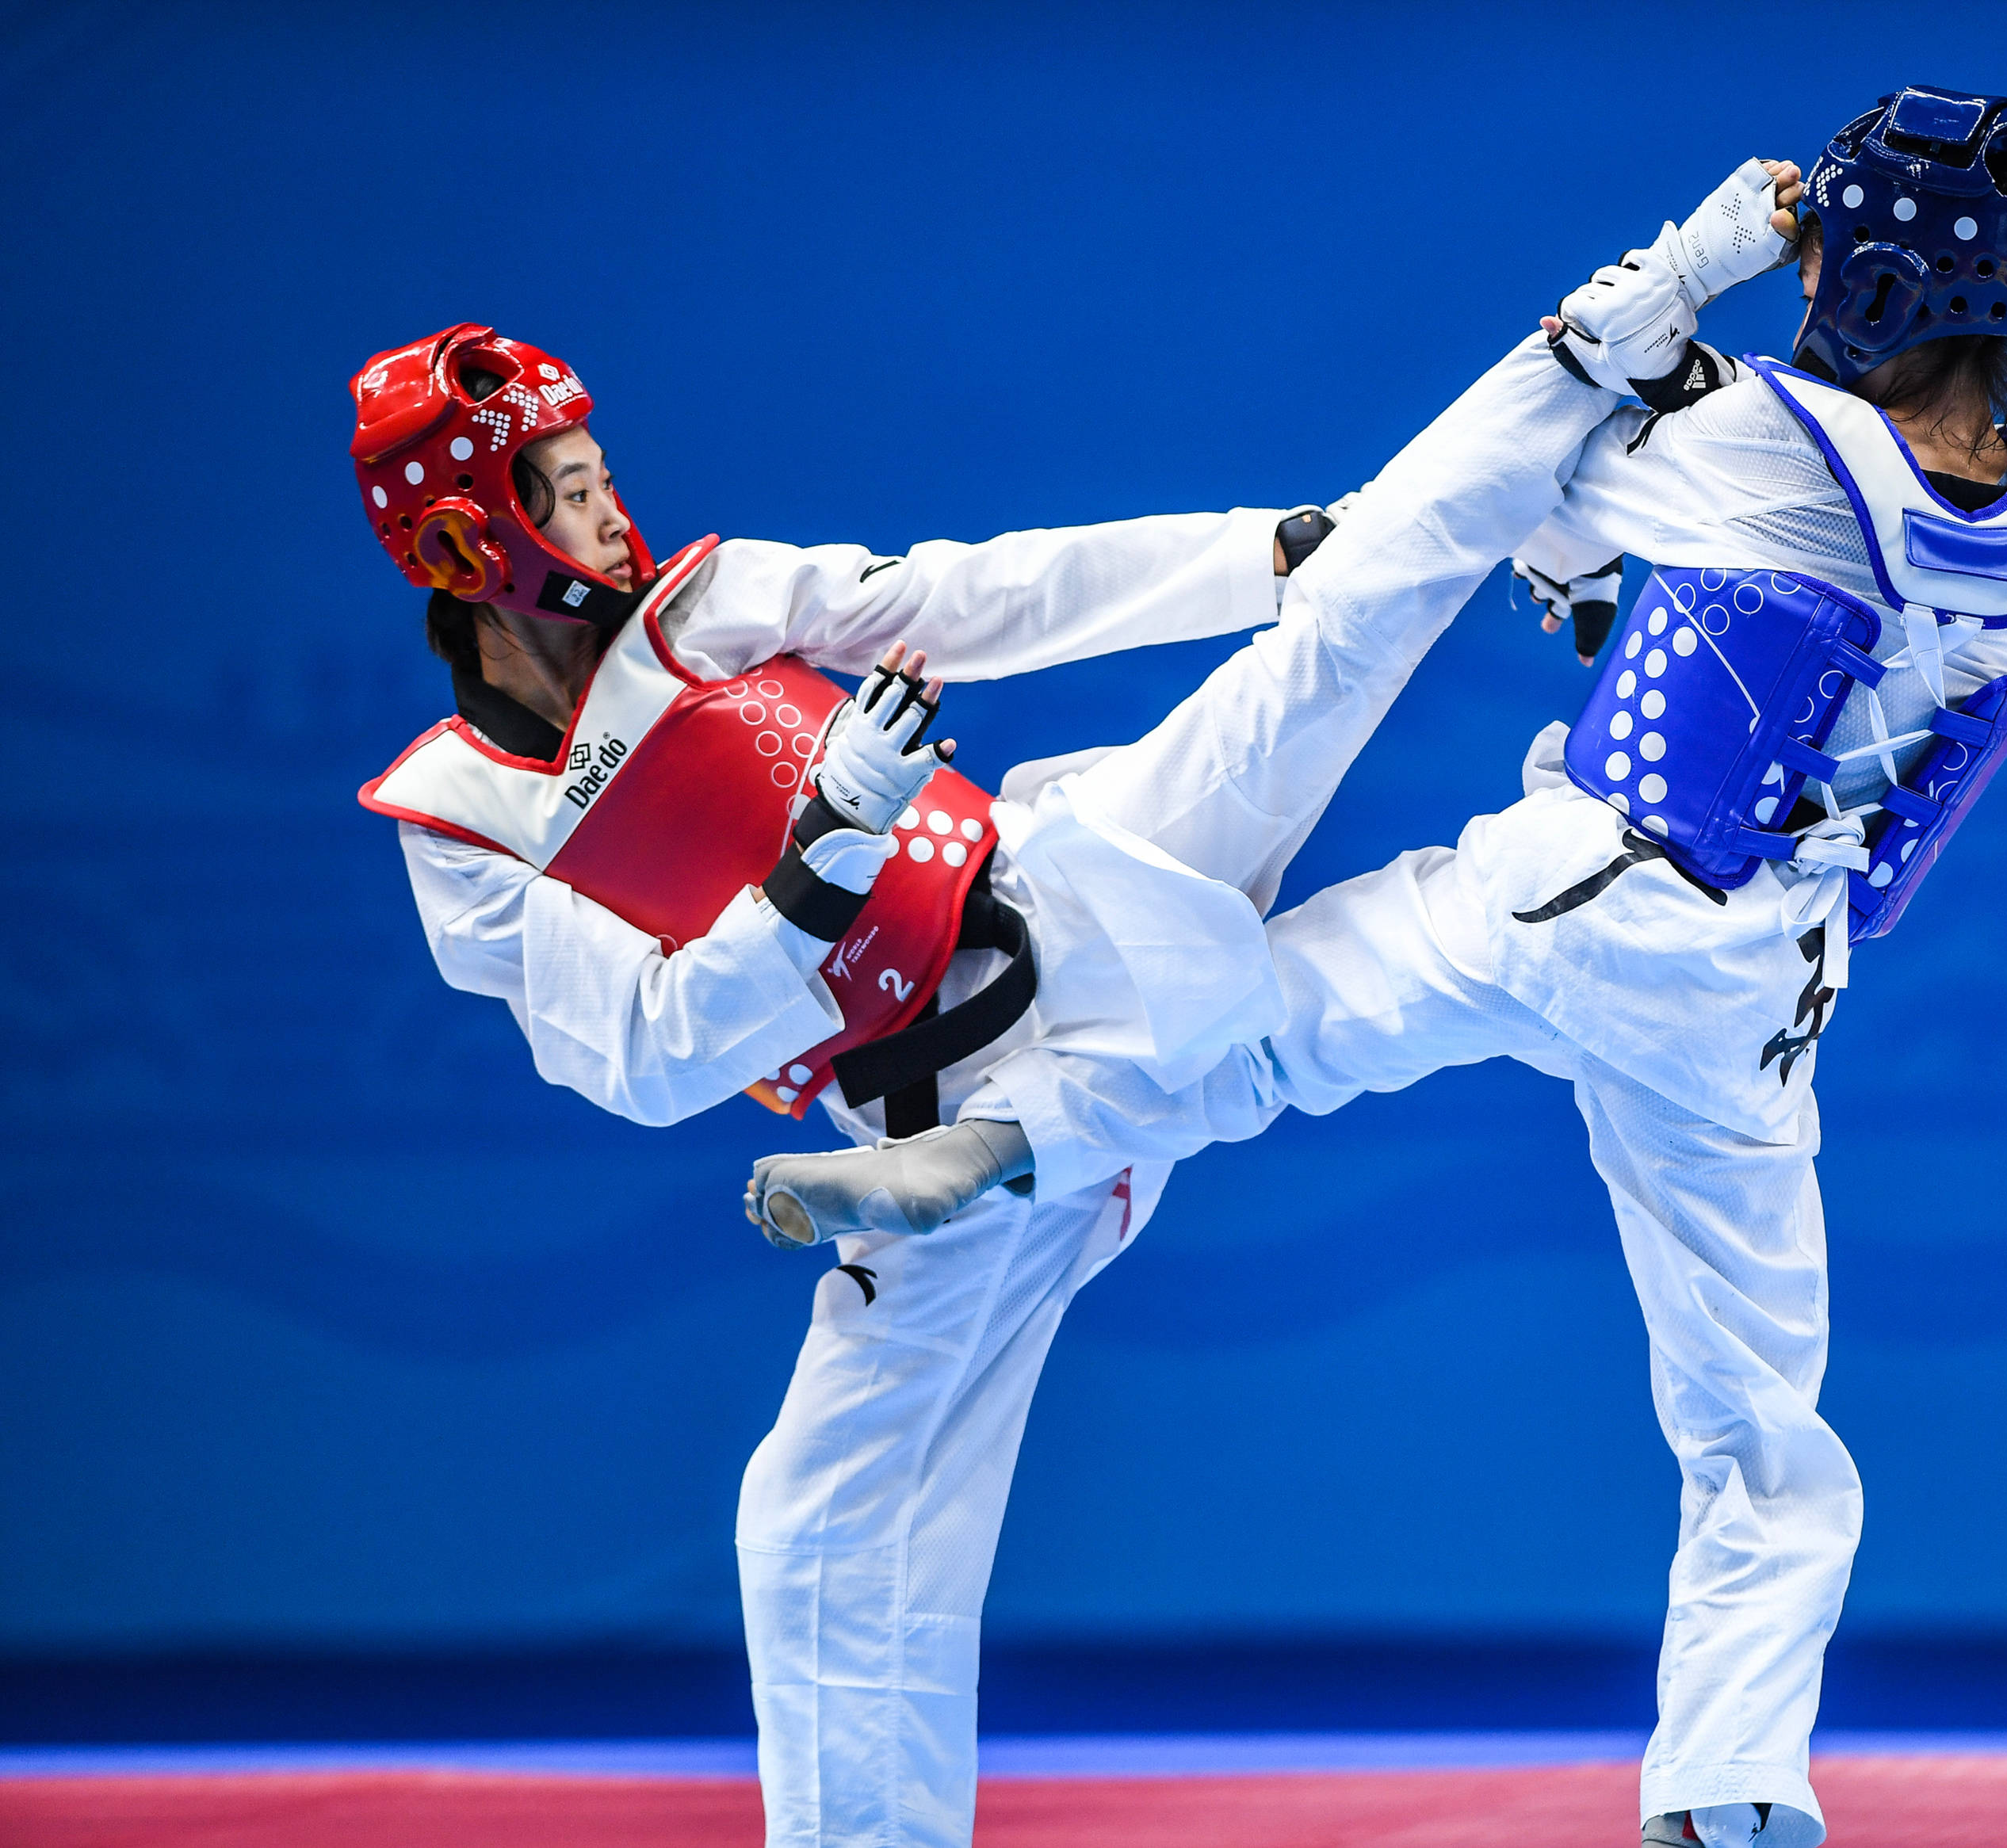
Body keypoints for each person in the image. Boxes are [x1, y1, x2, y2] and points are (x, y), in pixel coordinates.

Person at [355, 152, 1798, 1846]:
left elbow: (978, 589)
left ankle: (1664, 281)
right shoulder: (462, 821)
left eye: (599, 473)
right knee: (821, 1528)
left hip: (1074, 880)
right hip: (940, 1107)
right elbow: (651, 1055)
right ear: (469, 541)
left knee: (1347, 613)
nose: (610, 510)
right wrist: (823, 850)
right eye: (566, 489)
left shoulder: (711, 603)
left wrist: (1262, 550)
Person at [754, 87, 2007, 1848]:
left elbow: (1498, 468)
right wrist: (1635, 596)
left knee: (1251, 1036)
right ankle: (1729, 1778)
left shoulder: (1764, 433)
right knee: (1760, 1414)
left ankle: (1003, 1143)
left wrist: (1647, 295)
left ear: (1864, 276)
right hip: (1761, 990)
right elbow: (1839, 664)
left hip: (1573, 888)